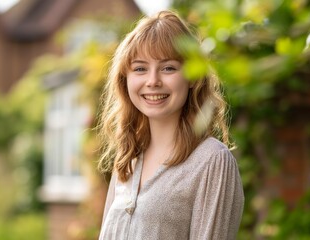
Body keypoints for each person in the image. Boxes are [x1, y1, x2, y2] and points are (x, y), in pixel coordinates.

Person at [97, 10, 244, 240]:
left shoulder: (211, 161)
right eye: (140, 68)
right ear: (125, 79)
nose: (153, 81)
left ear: (193, 77)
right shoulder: (127, 160)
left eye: (168, 68)